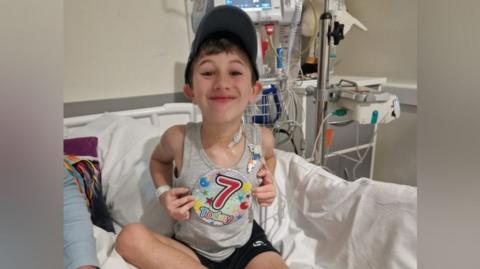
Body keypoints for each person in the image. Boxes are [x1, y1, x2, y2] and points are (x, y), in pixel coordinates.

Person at [115, 5, 288, 269]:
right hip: (191, 250)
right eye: (208, 72)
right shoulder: (178, 139)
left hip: (246, 245)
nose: (221, 82)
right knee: (129, 237)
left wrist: (268, 178)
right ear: (190, 91)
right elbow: (158, 162)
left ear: (254, 90)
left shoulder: (261, 139)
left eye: (235, 72)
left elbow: (270, 157)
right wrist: (164, 194)